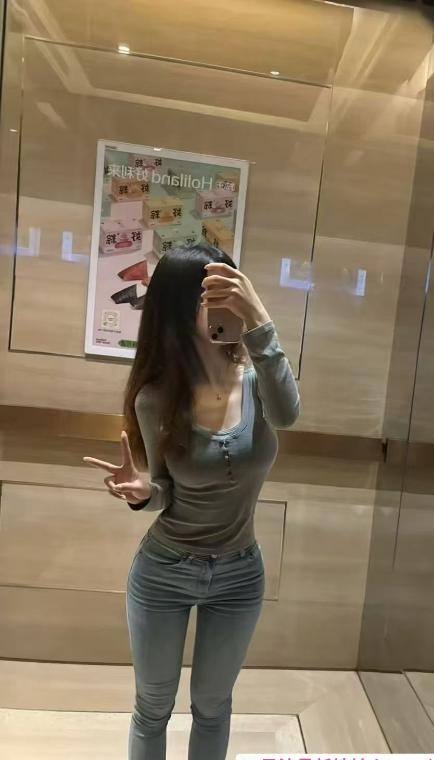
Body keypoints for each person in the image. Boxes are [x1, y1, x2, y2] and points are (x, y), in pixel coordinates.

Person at [83, 244, 300, 760]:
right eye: (213, 296)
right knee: (153, 707)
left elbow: (288, 415)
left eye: (232, 292)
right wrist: (143, 493)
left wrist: (259, 317)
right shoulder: (155, 397)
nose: (226, 305)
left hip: (240, 574)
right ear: (180, 308)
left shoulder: (258, 383)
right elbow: (165, 491)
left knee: (213, 705)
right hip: (165, 571)